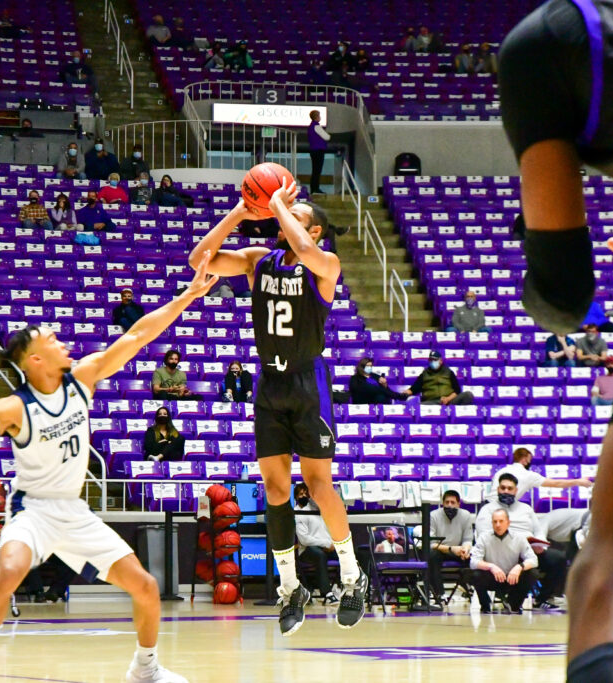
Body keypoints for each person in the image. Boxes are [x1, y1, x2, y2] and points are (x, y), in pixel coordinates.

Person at [0, 254, 220, 683]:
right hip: (34, 511)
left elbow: (138, 334)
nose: (60, 339)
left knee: (145, 586)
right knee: (9, 570)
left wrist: (188, 295)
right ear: (34, 360)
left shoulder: (83, 378)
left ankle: (146, 668)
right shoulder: (14, 407)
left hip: (75, 511)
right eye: (50, 338)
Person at [191, 184, 369, 637]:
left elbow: (305, 248)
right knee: (274, 490)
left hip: (310, 383)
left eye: (296, 212)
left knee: (318, 485)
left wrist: (275, 205)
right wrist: (237, 211)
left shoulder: (324, 265)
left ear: (315, 228)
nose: (285, 214)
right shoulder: (257, 260)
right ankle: (291, 590)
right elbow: (200, 260)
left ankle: (353, 577)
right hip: (270, 383)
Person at [476, 473, 567, 609]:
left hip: (529, 550)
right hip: (501, 550)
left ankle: (541, 599)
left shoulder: (526, 508)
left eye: (510, 488)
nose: (506, 491)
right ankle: (511, 600)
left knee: (558, 558)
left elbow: (539, 530)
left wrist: (540, 544)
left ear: (516, 491)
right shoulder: (487, 509)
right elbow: (484, 534)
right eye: (503, 488)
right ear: (497, 489)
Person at [470, 508, 539, 614]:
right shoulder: (484, 537)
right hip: (493, 578)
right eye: (495, 521)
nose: (498, 525)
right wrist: (491, 567)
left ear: (508, 522)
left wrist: (519, 567)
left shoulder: (519, 538)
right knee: (476, 574)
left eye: (501, 521)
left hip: (512, 578)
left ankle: (513, 605)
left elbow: (534, 560)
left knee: (533, 573)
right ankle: (485, 605)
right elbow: (473, 562)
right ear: (492, 523)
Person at [293, 482, 339, 605]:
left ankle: (354, 590)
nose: (303, 496)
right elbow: (304, 540)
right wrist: (325, 543)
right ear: (296, 497)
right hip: (307, 550)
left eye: (305, 493)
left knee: (349, 554)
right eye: (300, 494)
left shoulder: (319, 509)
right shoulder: (297, 513)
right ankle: (328, 594)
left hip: (327, 546)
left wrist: (330, 544)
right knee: (319, 555)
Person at [490, 448, 593, 502]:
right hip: (502, 509)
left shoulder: (500, 471)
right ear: (525, 459)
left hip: (486, 506)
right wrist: (578, 481)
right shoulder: (528, 475)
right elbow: (556, 483)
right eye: (530, 460)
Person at [426, 490, 474, 605]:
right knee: (432, 555)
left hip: (458, 550)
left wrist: (465, 549)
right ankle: (440, 594)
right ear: (442, 503)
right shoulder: (433, 515)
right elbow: (430, 543)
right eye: (447, 502)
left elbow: (468, 539)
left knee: (474, 556)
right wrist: (451, 549)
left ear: (458, 504)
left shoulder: (466, 515)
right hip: (440, 550)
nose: (449, 505)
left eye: (453, 502)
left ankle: (466, 585)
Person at [403, 350, 475, 405]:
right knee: (420, 406)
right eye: (431, 360)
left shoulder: (449, 372)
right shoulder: (424, 374)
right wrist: (406, 392)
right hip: (432, 402)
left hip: (449, 401)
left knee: (468, 395)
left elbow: (457, 391)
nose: (432, 362)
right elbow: (414, 389)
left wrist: (448, 399)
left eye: (435, 360)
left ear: (440, 361)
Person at [307, 110, 330, 196]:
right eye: (319, 116)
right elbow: (327, 137)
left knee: (315, 170)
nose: (320, 117)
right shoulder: (317, 126)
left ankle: (314, 188)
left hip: (313, 150)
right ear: (316, 117)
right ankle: (315, 188)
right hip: (318, 150)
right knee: (317, 170)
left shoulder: (310, 127)